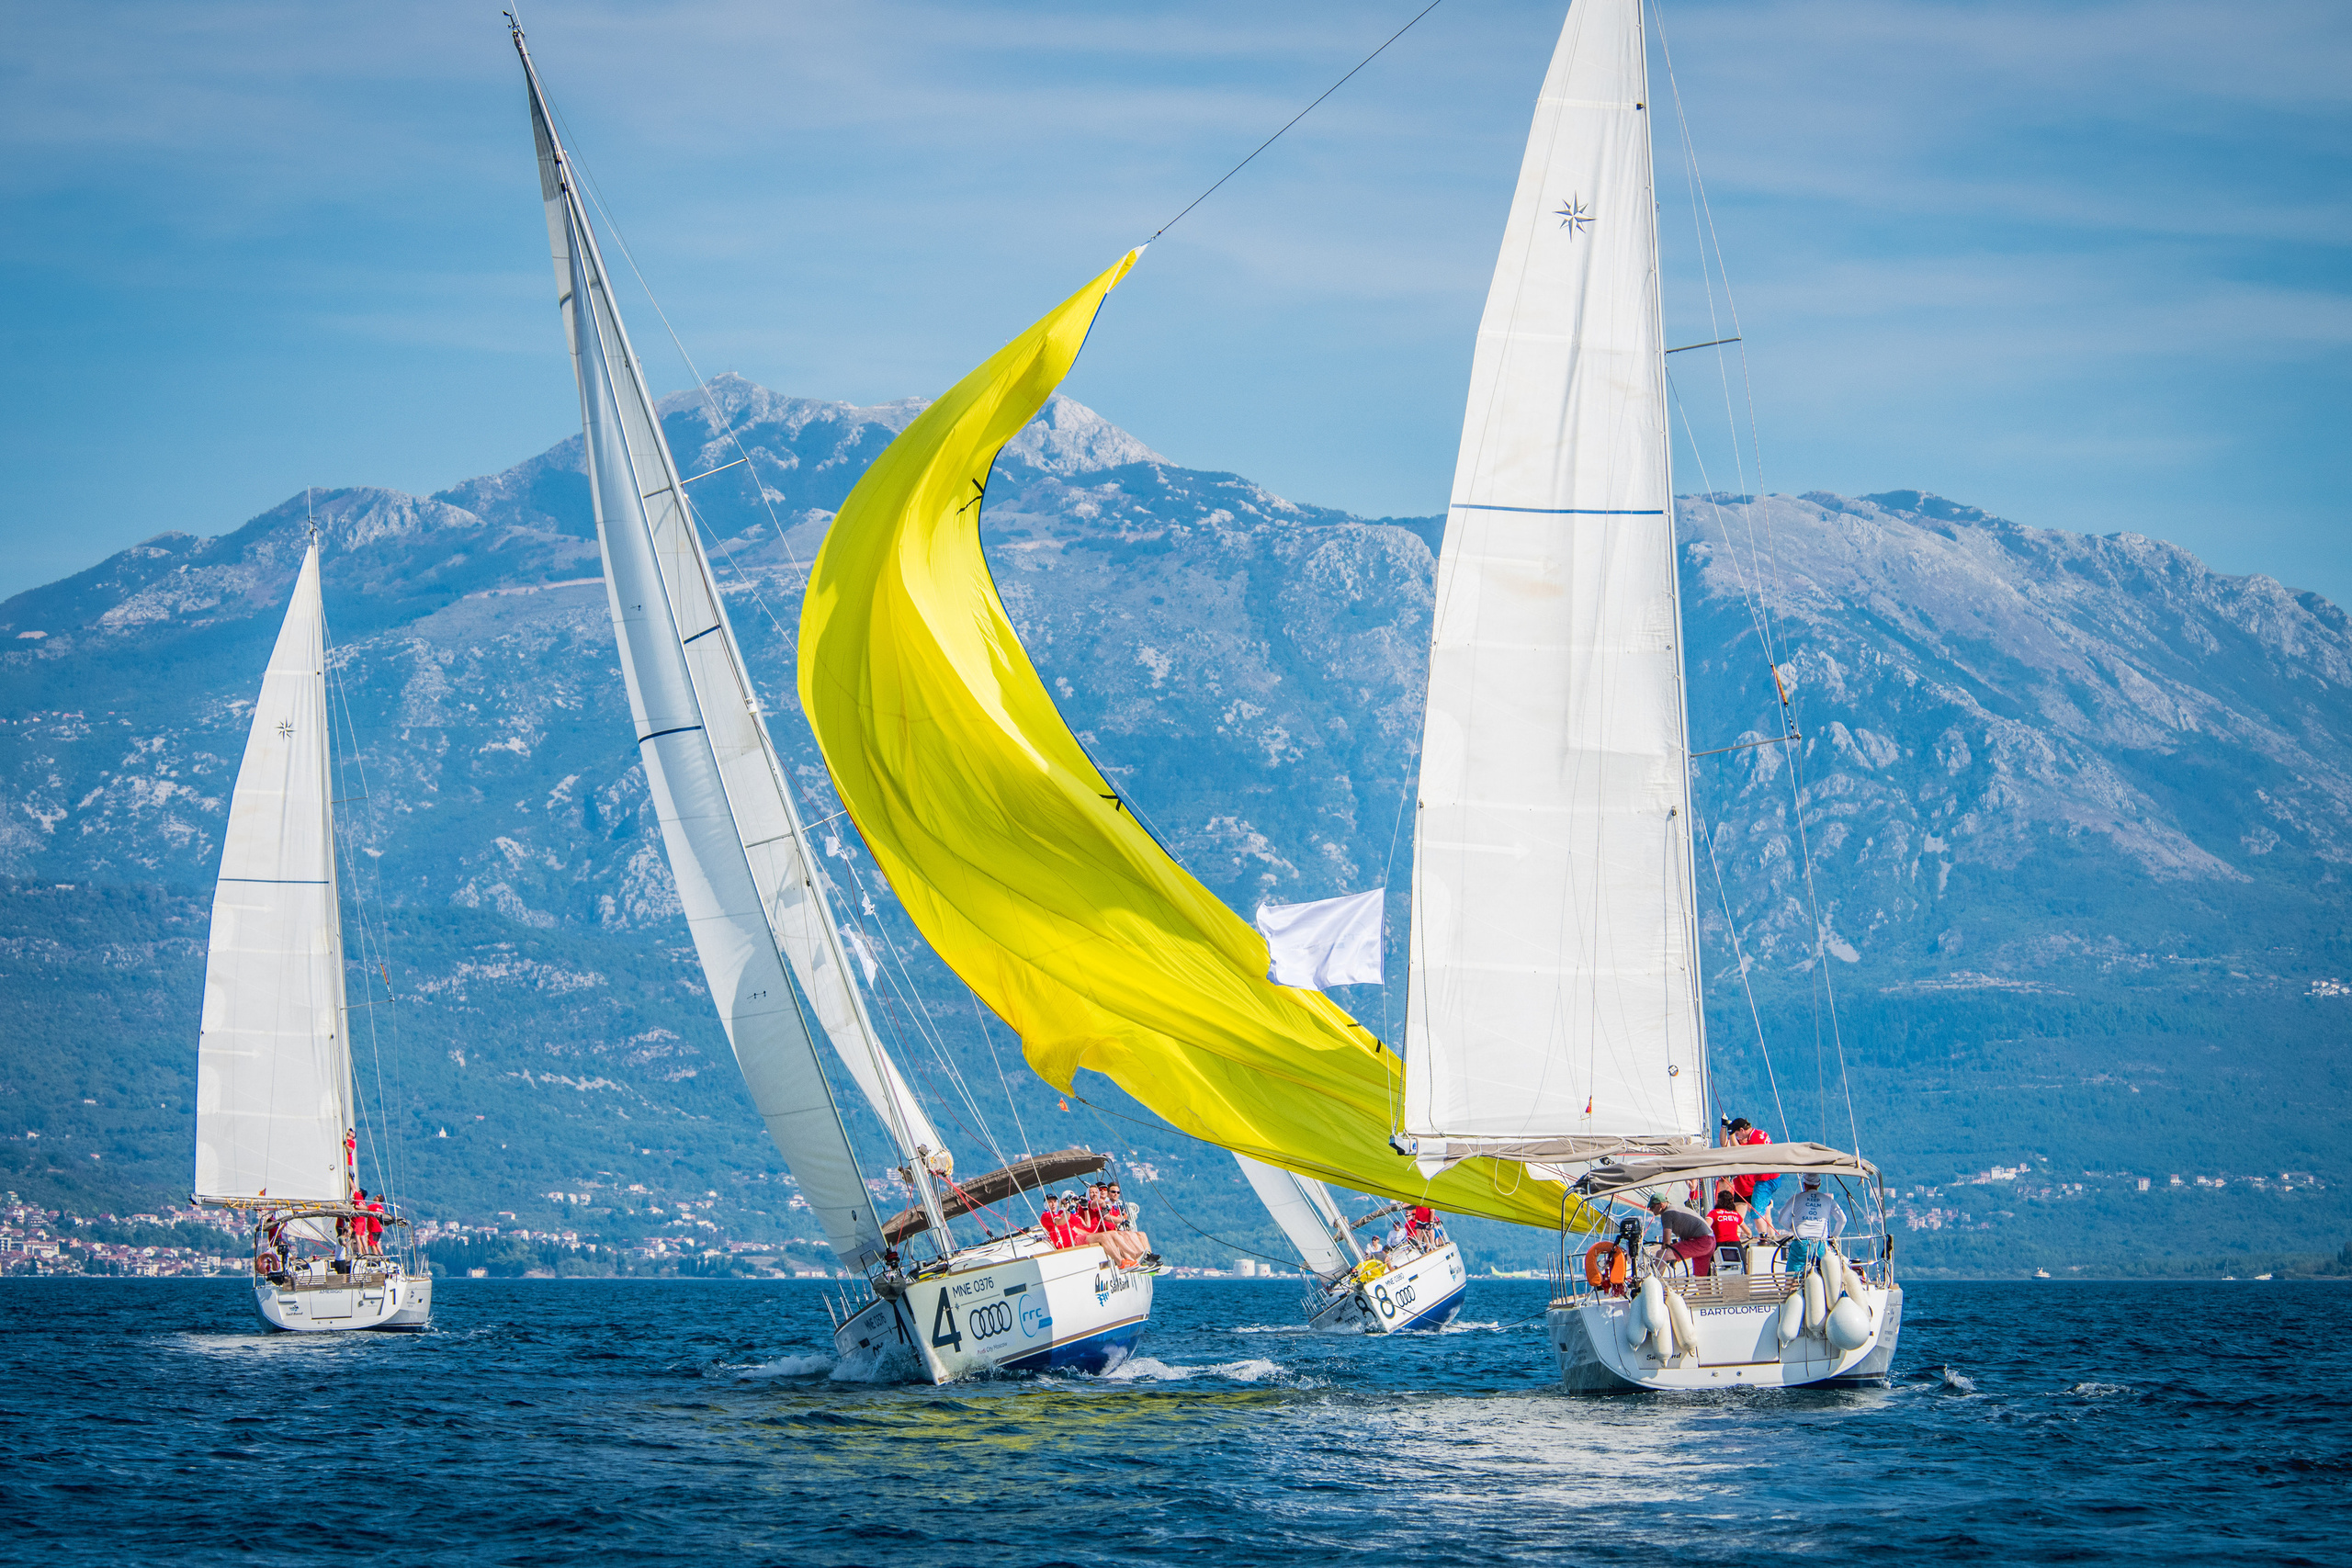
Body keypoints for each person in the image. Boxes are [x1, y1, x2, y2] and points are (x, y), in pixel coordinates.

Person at [1776, 1173, 1848, 1276]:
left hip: (1801, 1244)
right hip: (1821, 1244)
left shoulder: (1796, 1198)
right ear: (1819, 1185)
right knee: (1824, 1275)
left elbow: (1782, 1219)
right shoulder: (1828, 1200)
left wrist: (1794, 1227)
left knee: (1792, 1278)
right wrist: (1833, 1237)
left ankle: (1792, 1285)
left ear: (1804, 1184)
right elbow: (1843, 1220)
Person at [1647, 1191, 1713, 1275]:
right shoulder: (1676, 1209)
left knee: (1661, 1254)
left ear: (1661, 1205)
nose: (1651, 1209)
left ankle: (1656, 1280)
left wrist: (1668, 1254)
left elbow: (1666, 1242)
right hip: (1711, 1240)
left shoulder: (1667, 1214)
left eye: (1653, 1207)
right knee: (1700, 1277)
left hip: (1701, 1241)